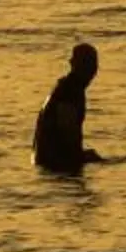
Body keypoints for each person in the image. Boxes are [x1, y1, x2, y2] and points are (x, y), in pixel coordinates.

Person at [33, 42, 101, 173]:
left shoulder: (65, 89)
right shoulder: (70, 92)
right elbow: (67, 130)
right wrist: (81, 157)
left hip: (48, 162)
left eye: (94, 65)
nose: (93, 70)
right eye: (89, 64)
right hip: (54, 164)